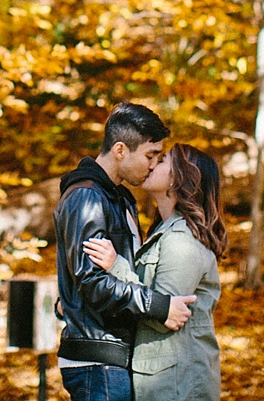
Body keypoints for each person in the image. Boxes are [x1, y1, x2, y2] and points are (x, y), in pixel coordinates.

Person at [54, 103, 197, 401]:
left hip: (113, 357)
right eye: (149, 155)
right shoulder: (87, 197)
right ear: (120, 150)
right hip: (98, 360)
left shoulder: (118, 198)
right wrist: (159, 306)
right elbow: (92, 282)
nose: (153, 164)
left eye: (158, 156)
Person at [82, 143, 225, 401]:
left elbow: (165, 315)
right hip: (163, 382)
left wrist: (117, 267)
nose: (152, 164)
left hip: (179, 385)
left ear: (180, 179)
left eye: (163, 160)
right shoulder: (163, 233)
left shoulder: (182, 240)